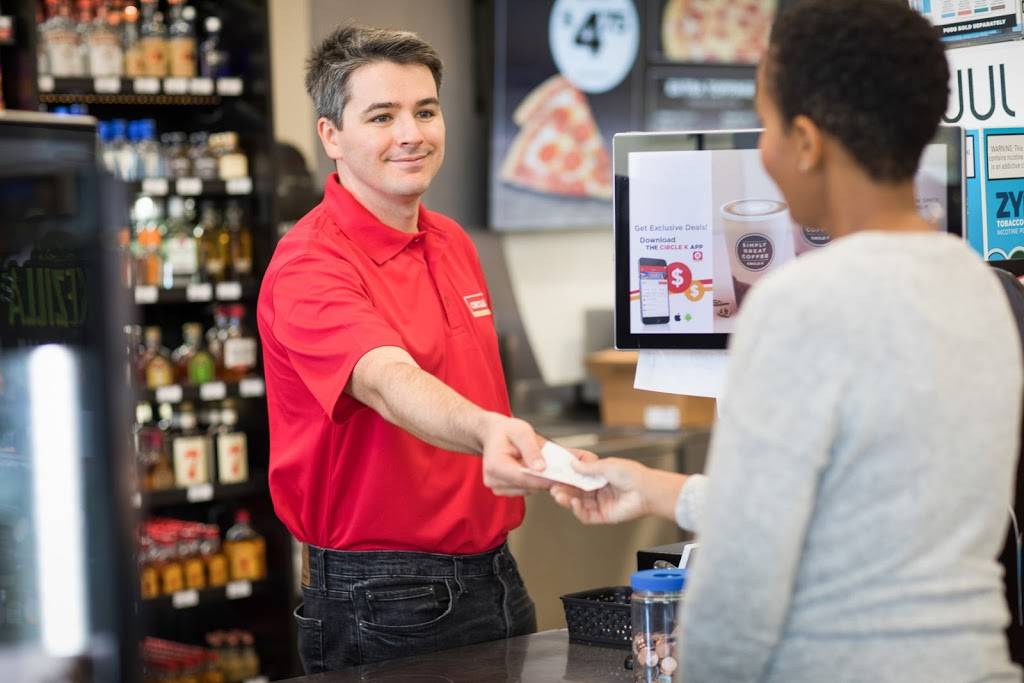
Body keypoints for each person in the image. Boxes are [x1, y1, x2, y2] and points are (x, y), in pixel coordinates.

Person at [552, 0, 1024, 680]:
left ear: (805, 141)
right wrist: (663, 490)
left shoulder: (799, 305)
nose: (761, 148)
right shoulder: (985, 290)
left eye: (767, 124)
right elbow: (864, 515)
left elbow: (739, 589)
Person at [257, 24, 561, 673]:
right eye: (382, 115)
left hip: (495, 570)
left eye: (425, 110)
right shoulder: (311, 265)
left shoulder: (451, 240)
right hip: (384, 597)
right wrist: (486, 430)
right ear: (330, 136)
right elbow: (387, 378)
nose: (412, 133)